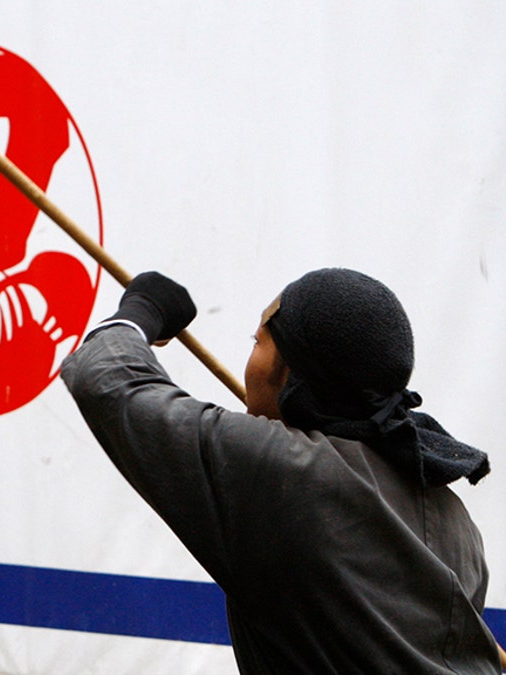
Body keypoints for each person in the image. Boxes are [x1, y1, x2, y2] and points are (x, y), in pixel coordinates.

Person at [61, 269, 505, 673]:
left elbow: (105, 378)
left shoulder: (284, 472)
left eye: (258, 343)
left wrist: (143, 310)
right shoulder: (456, 522)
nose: (250, 357)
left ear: (290, 373)